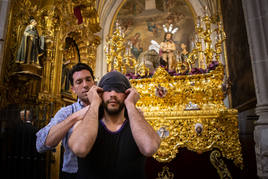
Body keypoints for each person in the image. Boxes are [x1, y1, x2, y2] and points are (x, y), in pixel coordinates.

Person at [68, 71, 161, 179]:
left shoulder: (138, 126)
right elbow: (80, 149)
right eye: (107, 90)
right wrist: (94, 103)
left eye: (118, 90)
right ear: (100, 93)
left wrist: (130, 104)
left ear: (127, 94)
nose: (113, 94)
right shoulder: (82, 124)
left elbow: (150, 148)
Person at [36, 63, 95, 179]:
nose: (85, 85)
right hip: (73, 174)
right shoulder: (66, 112)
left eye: (88, 80)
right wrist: (75, 117)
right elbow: (41, 145)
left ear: (94, 83)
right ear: (73, 89)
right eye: (79, 82)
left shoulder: (107, 108)